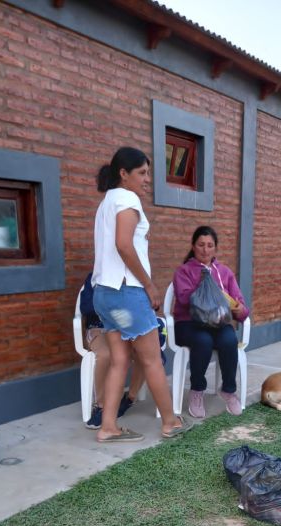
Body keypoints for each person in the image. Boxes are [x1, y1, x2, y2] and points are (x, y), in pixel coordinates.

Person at [92, 146, 191, 442]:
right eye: (142, 173)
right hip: (126, 293)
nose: (147, 179)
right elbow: (124, 245)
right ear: (123, 174)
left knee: (120, 359)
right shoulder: (126, 198)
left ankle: (108, 427)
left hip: (105, 295)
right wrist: (149, 284)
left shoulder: (107, 201)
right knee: (151, 359)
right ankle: (171, 422)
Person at [173, 226, 249, 418]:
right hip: (188, 324)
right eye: (201, 245)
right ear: (193, 246)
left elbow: (242, 308)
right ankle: (197, 390)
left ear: (215, 248)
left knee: (229, 340)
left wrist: (239, 309)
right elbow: (183, 300)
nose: (205, 250)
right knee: (203, 341)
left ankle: (229, 390)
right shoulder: (184, 271)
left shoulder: (224, 272)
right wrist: (205, 283)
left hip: (217, 323)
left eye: (210, 246)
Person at [80, 272, 146, 429]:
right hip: (98, 328)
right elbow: (86, 307)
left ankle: (129, 398)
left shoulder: (131, 277)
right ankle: (101, 406)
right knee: (106, 355)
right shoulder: (94, 277)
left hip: (123, 326)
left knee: (146, 354)